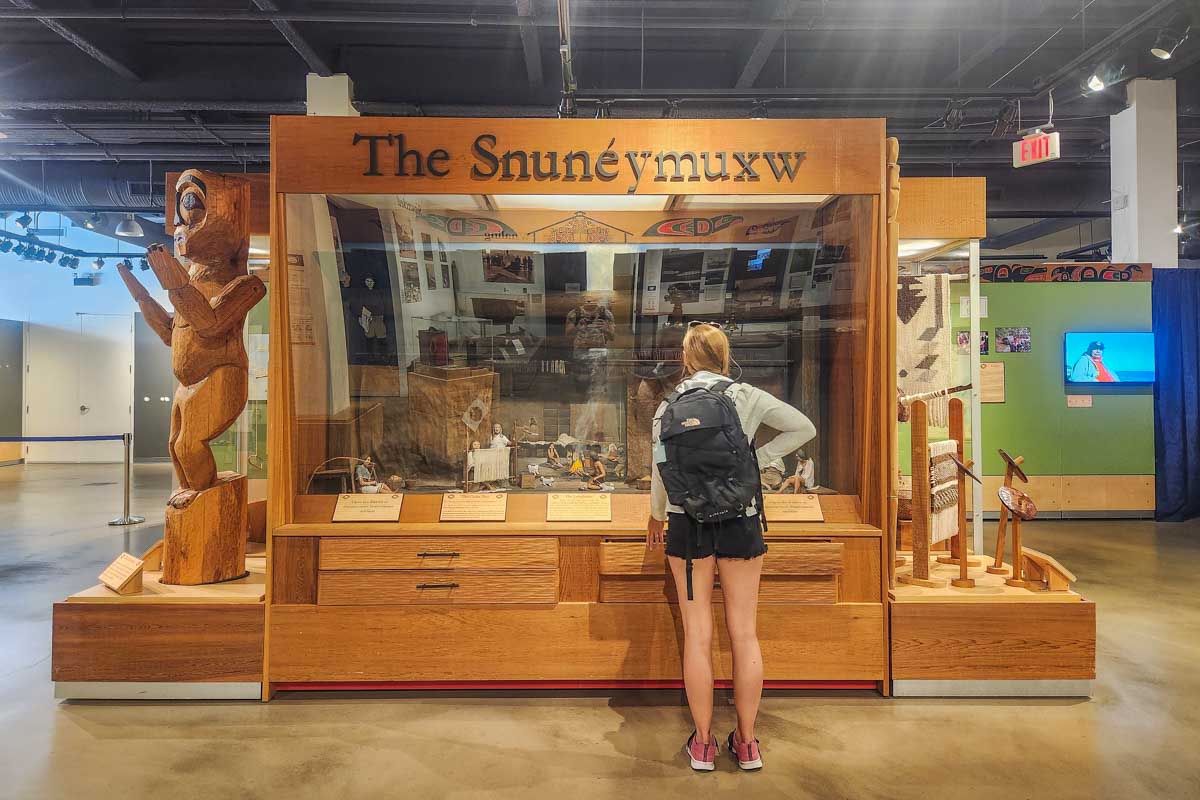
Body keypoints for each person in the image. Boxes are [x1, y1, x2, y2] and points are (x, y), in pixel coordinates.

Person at [647, 323, 816, 772]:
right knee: (744, 633)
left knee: (697, 634)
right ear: (725, 356)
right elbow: (803, 428)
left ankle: (702, 744)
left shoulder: (668, 405)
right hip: (741, 521)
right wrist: (753, 462)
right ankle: (746, 742)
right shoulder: (748, 396)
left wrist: (656, 517)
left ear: (686, 358)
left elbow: (661, 469)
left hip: (687, 526)